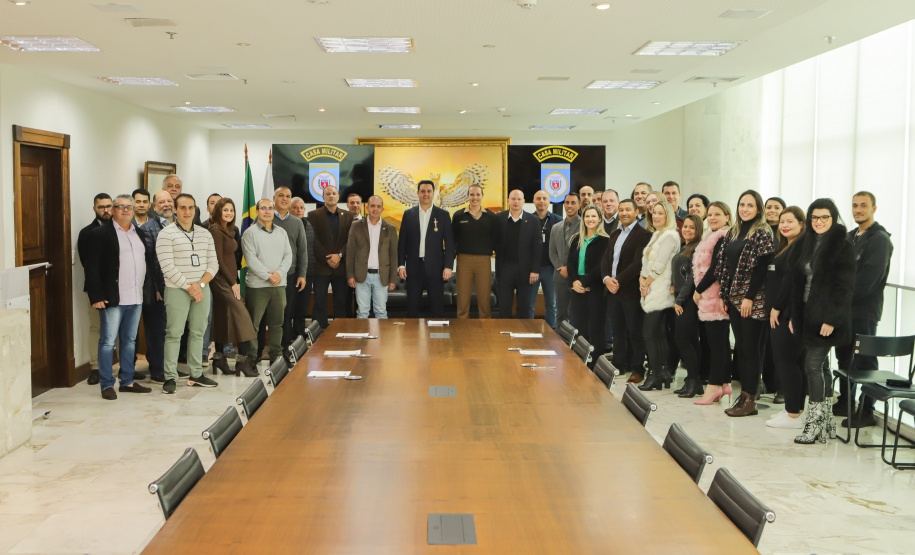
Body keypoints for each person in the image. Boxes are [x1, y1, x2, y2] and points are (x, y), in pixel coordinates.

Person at [788, 199, 856, 444]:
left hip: (827, 318)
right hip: (807, 315)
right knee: (822, 366)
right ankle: (827, 418)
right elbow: (797, 283)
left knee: (812, 364)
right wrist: (795, 316)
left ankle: (814, 421)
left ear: (834, 218)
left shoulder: (842, 246)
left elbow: (844, 289)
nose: (819, 222)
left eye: (824, 217)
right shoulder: (806, 243)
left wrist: (831, 320)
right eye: (814, 217)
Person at [703, 190, 775, 417]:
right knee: (742, 349)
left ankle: (750, 399)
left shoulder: (762, 232)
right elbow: (724, 266)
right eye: (742, 204)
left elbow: (762, 268)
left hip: (753, 300)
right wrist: (725, 295)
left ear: (758, 209)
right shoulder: (733, 232)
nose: (745, 209)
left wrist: (749, 296)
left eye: (750, 205)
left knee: (751, 349)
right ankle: (743, 396)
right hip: (734, 298)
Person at [84, 194, 155, 399]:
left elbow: (145, 264)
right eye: (120, 206)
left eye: (128, 207)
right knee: (107, 342)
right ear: (113, 210)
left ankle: (128, 381)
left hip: (135, 296)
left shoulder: (138, 233)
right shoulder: (100, 234)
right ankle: (107, 384)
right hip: (112, 298)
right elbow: (92, 267)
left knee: (130, 341)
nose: (125, 210)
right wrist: (95, 295)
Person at [835, 191, 894, 428]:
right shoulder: (851, 237)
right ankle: (845, 402)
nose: (858, 209)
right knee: (843, 357)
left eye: (863, 205)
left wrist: (841, 298)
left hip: (864, 312)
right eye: (855, 205)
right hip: (843, 311)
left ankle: (867, 410)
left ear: (874, 208)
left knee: (864, 362)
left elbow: (867, 280)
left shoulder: (879, 239)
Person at [155, 193, 220, 393]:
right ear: (175, 210)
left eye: (191, 207)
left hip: (201, 289)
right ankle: (170, 377)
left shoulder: (204, 233)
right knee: (174, 333)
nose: (187, 211)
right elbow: (167, 266)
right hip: (177, 290)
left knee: (199, 332)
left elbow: (213, 264)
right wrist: (189, 287)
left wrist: (199, 286)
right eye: (182, 207)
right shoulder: (166, 234)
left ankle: (196, 374)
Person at [601, 199, 652, 382]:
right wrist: (607, 279)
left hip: (630, 291)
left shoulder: (644, 234)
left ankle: (637, 369)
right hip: (612, 291)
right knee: (617, 331)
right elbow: (606, 259)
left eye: (627, 210)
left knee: (635, 332)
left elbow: (637, 263)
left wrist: (618, 281)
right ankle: (618, 365)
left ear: (636, 211)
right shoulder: (615, 233)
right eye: (621, 210)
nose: (623, 213)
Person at [765, 206, 807, 428]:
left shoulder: (799, 249)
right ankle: (794, 410)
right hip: (783, 313)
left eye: (790, 221)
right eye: (782, 222)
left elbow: (792, 283)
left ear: (802, 224)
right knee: (792, 362)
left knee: (787, 362)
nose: (784, 225)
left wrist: (777, 307)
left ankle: (792, 414)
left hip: (787, 314)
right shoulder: (786, 247)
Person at [207, 198, 258, 377]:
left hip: (229, 278)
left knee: (223, 317)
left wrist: (234, 279)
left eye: (231, 210)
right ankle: (244, 361)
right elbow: (219, 261)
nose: (229, 213)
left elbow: (231, 259)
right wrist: (233, 282)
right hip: (220, 280)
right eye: (225, 210)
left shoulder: (229, 230)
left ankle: (219, 358)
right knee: (242, 317)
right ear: (218, 211)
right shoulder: (215, 230)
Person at [692, 202, 734, 406]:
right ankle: (725, 382)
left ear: (727, 216)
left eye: (718, 214)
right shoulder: (711, 235)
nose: (712, 217)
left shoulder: (723, 236)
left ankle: (714, 386)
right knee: (721, 343)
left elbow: (716, 268)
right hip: (710, 294)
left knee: (716, 344)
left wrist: (698, 289)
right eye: (710, 214)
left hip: (715, 295)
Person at [241, 199, 293, 365]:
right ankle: (251, 358)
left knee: (277, 324)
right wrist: (268, 275)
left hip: (279, 285)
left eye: (270, 208)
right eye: (263, 208)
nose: (267, 211)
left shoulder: (281, 232)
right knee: (254, 326)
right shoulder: (250, 233)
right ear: (257, 211)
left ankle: (276, 358)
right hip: (258, 286)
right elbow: (251, 260)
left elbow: (288, 256)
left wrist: (278, 274)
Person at [638, 200, 681, 391]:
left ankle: (654, 374)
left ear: (668, 216)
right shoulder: (657, 234)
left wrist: (646, 283)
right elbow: (646, 261)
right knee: (658, 334)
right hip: (651, 288)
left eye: (660, 213)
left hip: (660, 290)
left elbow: (660, 265)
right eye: (654, 213)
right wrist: (642, 279)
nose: (656, 216)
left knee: (649, 333)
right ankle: (662, 372)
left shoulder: (670, 235)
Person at [398, 180, 455, 317]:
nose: (426, 194)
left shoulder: (443, 215)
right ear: (418, 193)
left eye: (429, 191)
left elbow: (450, 243)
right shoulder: (408, 214)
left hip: (436, 269)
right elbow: (402, 242)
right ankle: (412, 337)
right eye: (423, 191)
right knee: (412, 307)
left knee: (436, 308)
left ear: (433, 194)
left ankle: (437, 338)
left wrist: (448, 266)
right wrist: (401, 265)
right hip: (413, 268)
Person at [132, 188, 167, 383]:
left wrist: (158, 288)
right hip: (134, 286)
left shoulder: (158, 226)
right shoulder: (126, 226)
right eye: (138, 201)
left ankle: (157, 368)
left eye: (145, 201)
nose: (142, 205)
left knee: (156, 329)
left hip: (155, 288)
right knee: (131, 331)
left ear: (150, 205)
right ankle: (130, 368)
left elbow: (156, 261)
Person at [78, 193, 113, 386]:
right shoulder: (87, 232)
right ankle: (95, 368)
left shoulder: (119, 229)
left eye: (108, 206)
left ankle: (118, 366)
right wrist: (96, 292)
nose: (106, 210)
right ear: (94, 209)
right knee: (96, 328)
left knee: (116, 330)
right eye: (101, 207)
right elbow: (88, 264)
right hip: (96, 289)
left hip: (117, 289)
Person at [567, 206, 610, 361]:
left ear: (600, 219)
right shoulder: (576, 239)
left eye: (593, 216)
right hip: (577, 288)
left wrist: (584, 282)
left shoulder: (605, 241)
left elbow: (601, 266)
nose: (590, 219)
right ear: (583, 219)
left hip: (596, 289)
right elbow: (570, 264)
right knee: (580, 326)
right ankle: (582, 359)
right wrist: (574, 281)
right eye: (587, 216)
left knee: (596, 327)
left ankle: (597, 361)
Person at [308, 186, 355, 328]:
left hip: (341, 268)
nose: (331, 196)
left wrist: (339, 255)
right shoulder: (313, 215)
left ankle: (338, 333)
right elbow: (313, 240)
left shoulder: (348, 216)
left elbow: (350, 240)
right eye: (328, 193)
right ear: (323, 197)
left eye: (334, 193)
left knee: (341, 303)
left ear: (338, 196)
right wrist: (327, 258)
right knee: (319, 302)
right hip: (321, 267)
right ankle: (318, 334)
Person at [269, 186, 309, 352]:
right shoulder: (266, 218)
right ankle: (269, 349)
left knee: (286, 315)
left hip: (291, 275)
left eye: (287, 196)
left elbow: (302, 250)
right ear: (274, 198)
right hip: (269, 276)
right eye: (281, 196)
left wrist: (302, 274)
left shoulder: (297, 222)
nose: (284, 199)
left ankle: (284, 349)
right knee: (270, 316)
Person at [346, 196, 398, 318]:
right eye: (373, 206)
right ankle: (362, 337)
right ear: (367, 207)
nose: (375, 209)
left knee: (381, 312)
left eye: (378, 206)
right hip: (361, 276)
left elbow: (393, 255)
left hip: (382, 276)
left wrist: (392, 279)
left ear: (382, 209)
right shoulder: (356, 225)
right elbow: (350, 252)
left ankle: (382, 338)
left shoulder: (390, 228)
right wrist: (350, 275)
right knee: (362, 312)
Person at [452, 184, 498, 319]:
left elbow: (495, 239)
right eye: (472, 194)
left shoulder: (490, 216)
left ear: (482, 196)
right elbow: (453, 239)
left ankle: (486, 330)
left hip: (483, 261)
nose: (475, 197)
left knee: (484, 298)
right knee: (462, 298)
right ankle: (462, 327)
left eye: (478, 194)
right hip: (463, 260)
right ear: (467, 196)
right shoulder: (459, 215)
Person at [671, 215, 704, 398]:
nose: (688, 230)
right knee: (690, 340)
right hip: (681, 298)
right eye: (686, 227)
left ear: (698, 230)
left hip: (687, 301)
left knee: (682, 339)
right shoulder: (686, 247)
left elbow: (692, 278)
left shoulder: (696, 249)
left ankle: (693, 380)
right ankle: (694, 382)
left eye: (692, 227)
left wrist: (680, 299)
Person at [495, 190, 541, 319]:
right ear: (508, 200)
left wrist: (535, 270)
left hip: (526, 271)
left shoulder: (533, 220)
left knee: (524, 308)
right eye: (513, 199)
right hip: (504, 270)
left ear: (524, 201)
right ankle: (503, 337)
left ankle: (523, 337)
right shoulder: (499, 218)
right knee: (504, 307)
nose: (516, 202)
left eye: (519, 199)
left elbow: (537, 247)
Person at [527, 191, 562, 327]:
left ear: (549, 201)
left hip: (551, 269)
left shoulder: (558, 220)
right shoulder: (527, 219)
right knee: (529, 304)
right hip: (532, 270)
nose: (541, 201)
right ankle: (527, 331)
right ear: (534, 201)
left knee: (552, 305)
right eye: (538, 198)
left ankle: (552, 332)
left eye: (544, 198)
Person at [548, 193, 581, 326]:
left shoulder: (585, 225)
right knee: (561, 314)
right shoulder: (556, 227)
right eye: (567, 202)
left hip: (578, 276)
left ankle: (577, 345)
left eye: (573, 202)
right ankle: (562, 344)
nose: (569, 205)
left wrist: (570, 269)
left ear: (579, 205)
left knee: (577, 313)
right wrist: (561, 268)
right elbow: (552, 252)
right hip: (560, 276)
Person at [291, 197, 316, 337]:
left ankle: (299, 334)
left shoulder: (310, 224)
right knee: (289, 308)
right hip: (290, 273)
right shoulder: (286, 225)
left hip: (307, 272)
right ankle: (288, 337)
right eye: (295, 207)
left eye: (301, 207)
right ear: (289, 209)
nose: (298, 210)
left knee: (303, 307)